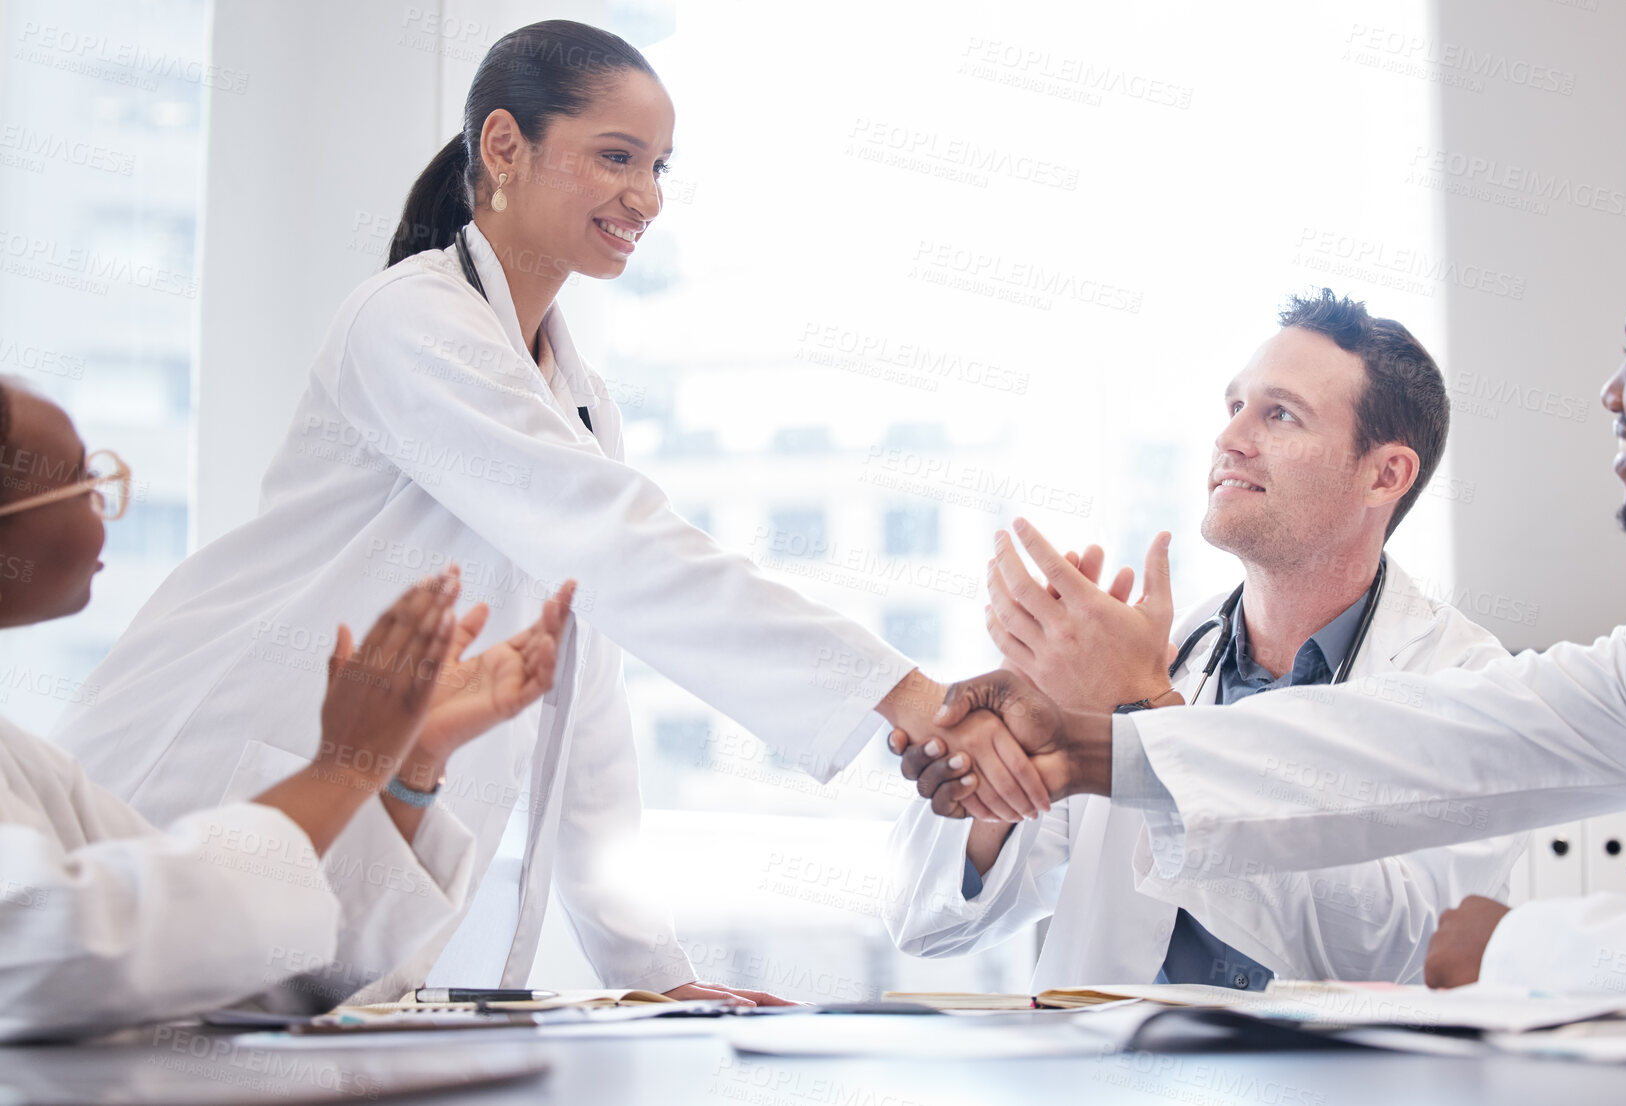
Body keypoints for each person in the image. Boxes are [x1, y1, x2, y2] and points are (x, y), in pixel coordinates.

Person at [52, 20, 1039, 1007]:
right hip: (196, 777)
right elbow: (615, 541)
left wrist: (653, 976)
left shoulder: (575, 395)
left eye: (657, 166)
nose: (644, 195)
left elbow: (585, 710)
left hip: (344, 851)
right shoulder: (408, 321)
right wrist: (899, 691)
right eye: (614, 157)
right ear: (502, 146)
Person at [908, 194, 1626, 1007]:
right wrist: (1078, 734)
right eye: (1235, 405)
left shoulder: (1451, 655)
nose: (1612, 394)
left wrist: (1516, 949)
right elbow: (1419, 744)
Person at [886, 293, 1525, 989]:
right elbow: (930, 922)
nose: (1231, 438)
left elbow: (1403, 949)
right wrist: (1009, 742)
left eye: (1279, 414)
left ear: (1385, 475)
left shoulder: (1469, 685)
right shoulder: (1161, 652)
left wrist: (1142, 711)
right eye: (1234, 407)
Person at [0, 378, 570, 1040]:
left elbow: (252, 969)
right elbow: (46, 960)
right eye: (78, 480)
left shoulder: (26, 766)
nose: (104, 506)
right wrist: (337, 773)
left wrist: (404, 769)